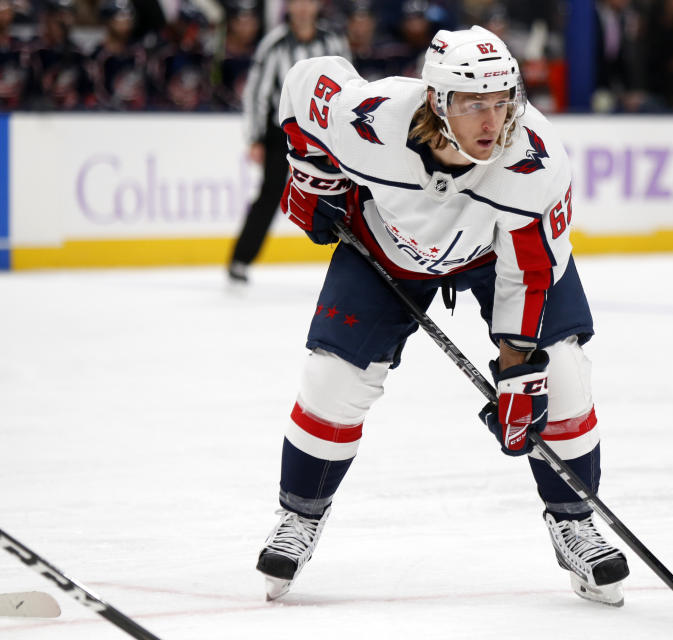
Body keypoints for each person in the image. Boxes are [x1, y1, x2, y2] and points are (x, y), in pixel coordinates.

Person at [254, 25, 631, 607]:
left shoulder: (534, 161)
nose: (494, 120)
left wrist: (517, 371)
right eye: (475, 103)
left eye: (503, 100)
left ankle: (572, 519)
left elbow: (529, 273)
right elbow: (306, 84)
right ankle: (300, 516)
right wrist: (313, 176)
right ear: (437, 100)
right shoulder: (370, 120)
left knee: (560, 372)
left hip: (493, 256)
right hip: (386, 244)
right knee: (334, 379)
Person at [226, 0, 349, 283]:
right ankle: (241, 259)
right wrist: (255, 137)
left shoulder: (333, 41)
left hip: (323, 132)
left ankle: (352, 262)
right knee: (270, 194)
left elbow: (349, 86)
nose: (304, 8)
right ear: (289, 7)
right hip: (280, 132)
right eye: (297, 2)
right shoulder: (274, 43)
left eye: (309, 2)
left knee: (345, 192)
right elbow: (257, 92)